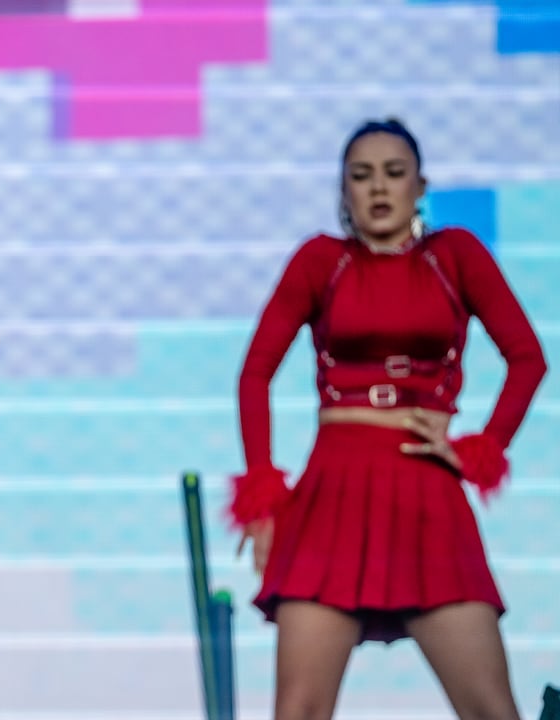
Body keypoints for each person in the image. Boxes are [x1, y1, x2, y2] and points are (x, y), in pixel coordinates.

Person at [230, 117, 547, 720]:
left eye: (394, 173)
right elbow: (254, 374)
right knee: (298, 711)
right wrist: (263, 497)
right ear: (344, 189)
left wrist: (480, 448)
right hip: (333, 491)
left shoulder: (454, 255)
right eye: (362, 175)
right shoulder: (321, 260)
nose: (378, 187)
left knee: (491, 709)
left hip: (426, 489)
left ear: (419, 186)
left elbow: (528, 359)